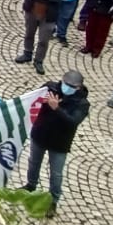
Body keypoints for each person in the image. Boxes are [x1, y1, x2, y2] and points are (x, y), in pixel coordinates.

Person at [23, 71, 90, 214]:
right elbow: (33, 101)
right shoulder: (50, 88)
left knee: (56, 173)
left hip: (60, 143)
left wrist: (57, 108)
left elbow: (73, 122)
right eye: (66, 84)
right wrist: (42, 102)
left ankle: (53, 200)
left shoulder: (82, 104)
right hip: (40, 134)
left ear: (79, 87)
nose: (67, 87)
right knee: (33, 162)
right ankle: (30, 185)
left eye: (72, 86)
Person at [15, 0, 65, 75]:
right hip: (32, 10)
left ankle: (38, 60)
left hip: (49, 15)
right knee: (29, 34)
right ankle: (27, 53)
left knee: (43, 40)